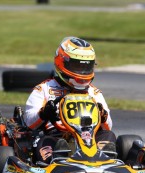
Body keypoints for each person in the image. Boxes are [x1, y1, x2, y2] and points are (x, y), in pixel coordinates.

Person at [24, 36, 116, 165]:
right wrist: (44, 113)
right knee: (46, 142)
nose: (82, 72)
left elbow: (108, 126)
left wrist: (103, 116)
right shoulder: (44, 88)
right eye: (76, 65)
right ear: (62, 62)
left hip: (89, 138)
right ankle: (57, 161)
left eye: (86, 66)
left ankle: (104, 161)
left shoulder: (94, 93)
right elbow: (28, 121)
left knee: (108, 136)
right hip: (56, 135)